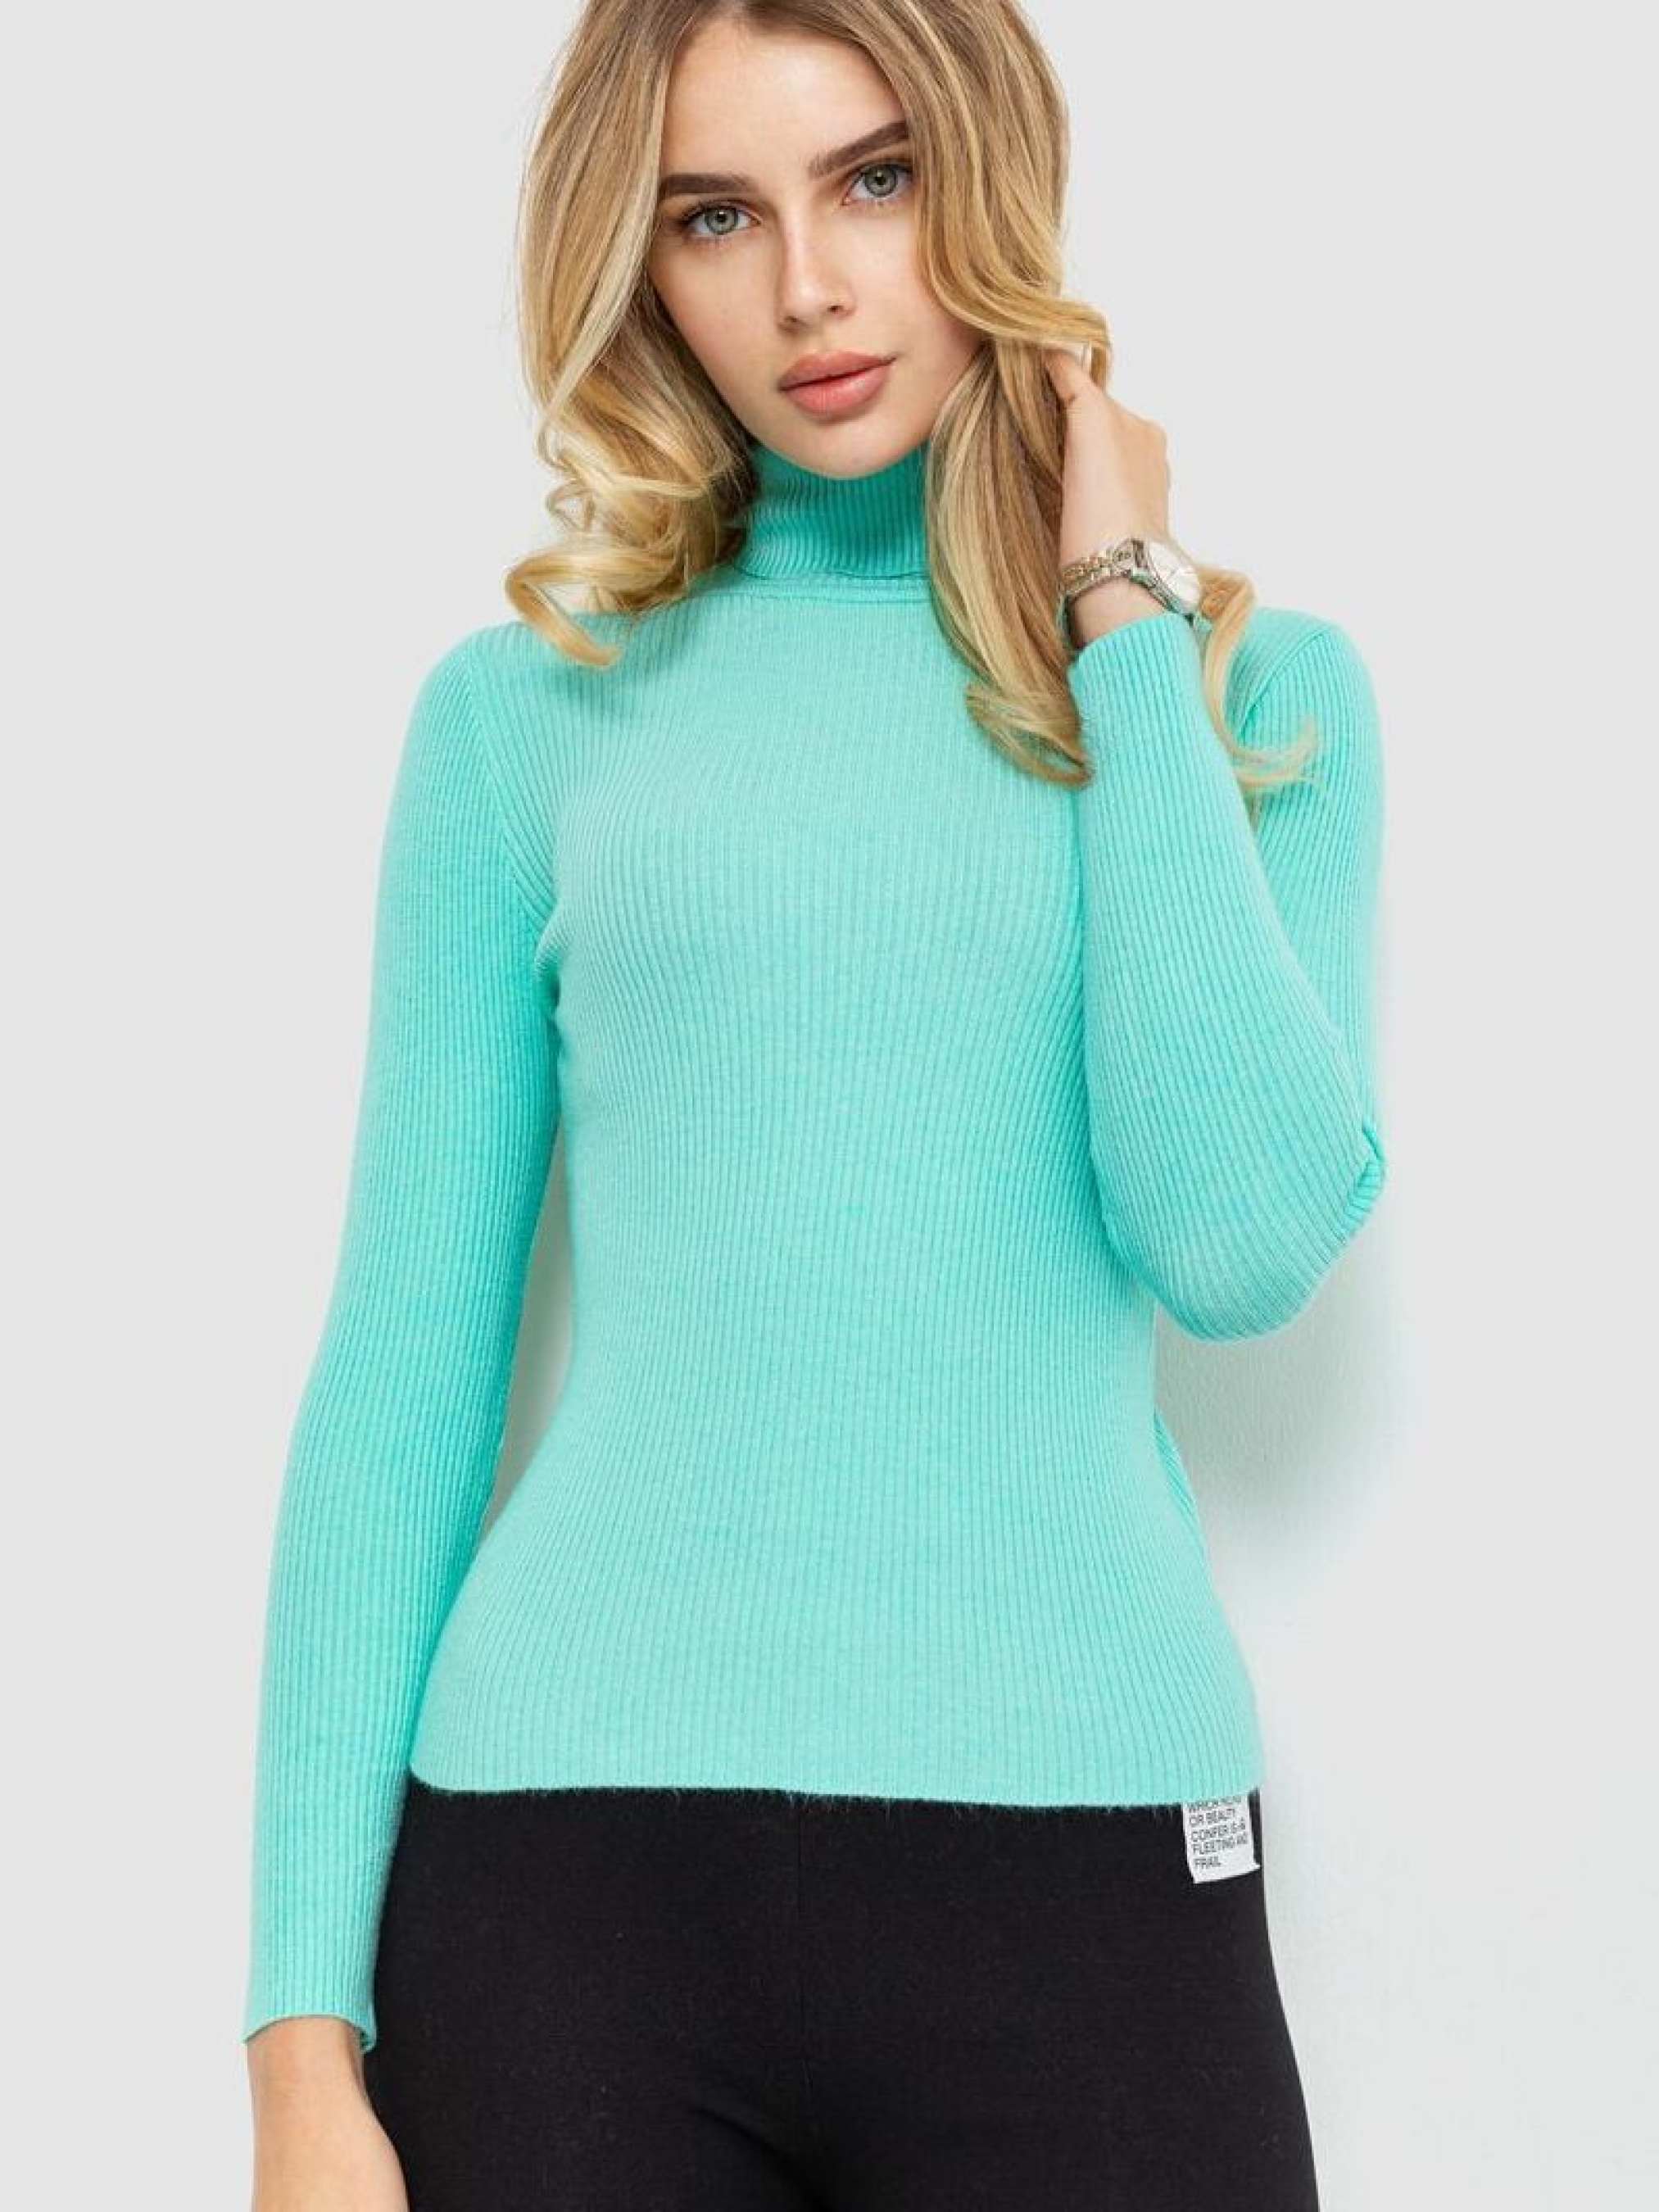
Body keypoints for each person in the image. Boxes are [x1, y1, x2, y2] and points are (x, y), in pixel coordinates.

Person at [243, 2, 1388, 2205]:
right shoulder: (527, 715)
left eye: (877, 179)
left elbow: (1240, 1242)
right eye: (714, 216)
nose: (808, 289)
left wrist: (1121, 625)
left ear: (993, 174)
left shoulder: (1250, 695)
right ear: (640, 263)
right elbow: (401, 1373)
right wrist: (302, 2044)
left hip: (1088, 1860)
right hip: (569, 1887)